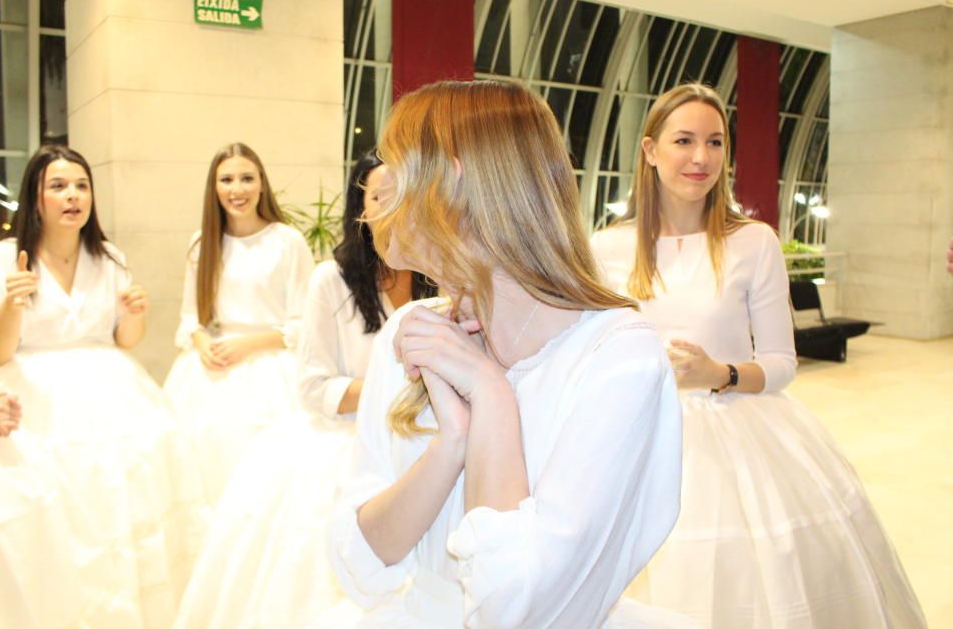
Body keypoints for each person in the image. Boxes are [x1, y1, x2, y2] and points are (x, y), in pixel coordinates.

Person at [322, 80, 685, 629]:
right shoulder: (414, 329)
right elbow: (360, 563)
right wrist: (452, 445)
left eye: (402, 176)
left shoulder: (617, 358)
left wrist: (491, 395)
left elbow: (517, 609)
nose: (383, 202)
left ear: (455, 182)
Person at [590, 82, 926, 628]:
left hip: (736, 433)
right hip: (635, 433)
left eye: (715, 142)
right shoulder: (606, 247)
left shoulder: (753, 242)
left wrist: (716, 372)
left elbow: (781, 363)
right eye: (684, 141)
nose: (701, 158)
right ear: (650, 151)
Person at [172, 151, 437, 628]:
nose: (392, 207)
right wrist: (392, 389)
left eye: (402, 195)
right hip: (344, 440)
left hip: (424, 440)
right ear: (360, 206)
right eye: (379, 196)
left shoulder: (438, 277)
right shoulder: (330, 280)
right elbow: (315, 388)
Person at [0, 145, 203, 629]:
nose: (73, 196)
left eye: (81, 186)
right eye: (58, 186)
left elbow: (126, 341)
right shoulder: (1, 259)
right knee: (62, 501)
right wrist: (12, 304)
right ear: (35, 196)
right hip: (36, 390)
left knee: (130, 498)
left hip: (113, 389)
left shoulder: (108, 256)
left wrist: (134, 313)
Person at [163, 142, 315, 506]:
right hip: (210, 366)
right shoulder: (203, 243)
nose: (237, 189)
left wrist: (248, 345)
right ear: (214, 188)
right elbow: (190, 318)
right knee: (198, 464)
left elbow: (304, 322)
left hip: (273, 366)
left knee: (265, 471)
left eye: (246, 178)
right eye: (227, 179)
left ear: (261, 183)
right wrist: (201, 344)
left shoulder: (287, 241)